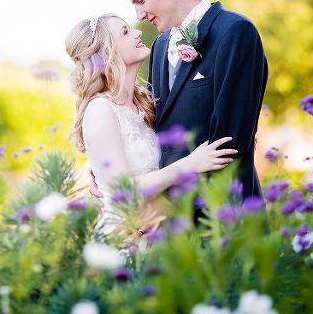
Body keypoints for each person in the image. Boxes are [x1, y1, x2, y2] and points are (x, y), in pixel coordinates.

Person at [115, 0, 268, 199]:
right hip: (171, 226)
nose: (140, 15)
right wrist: (113, 171)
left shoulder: (236, 32)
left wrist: (166, 208)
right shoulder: (160, 46)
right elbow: (154, 134)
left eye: (141, 0)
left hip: (226, 215)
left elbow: (228, 145)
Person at [66, 14, 237, 235]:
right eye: (125, 32)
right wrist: (190, 164)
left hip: (160, 230)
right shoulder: (100, 110)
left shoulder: (144, 103)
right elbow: (123, 192)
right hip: (128, 238)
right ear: (106, 52)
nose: (138, 33)